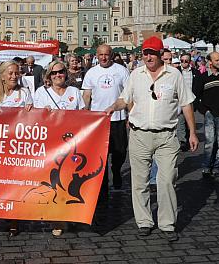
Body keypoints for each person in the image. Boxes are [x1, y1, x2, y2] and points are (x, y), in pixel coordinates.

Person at [104, 36, 198, 242]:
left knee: (166, 181)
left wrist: (192, 132)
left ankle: (167, 223)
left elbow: (186, 104)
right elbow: (124, 98)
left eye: (152, 53)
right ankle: (144, 221)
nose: (148, 56)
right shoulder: (136, 75)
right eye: (145, 52)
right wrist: (114, 106)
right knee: (139, 182)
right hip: (139, 135)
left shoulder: (174, 75)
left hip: (166, 136)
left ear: (160, 54)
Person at [33, 60, 83, 237]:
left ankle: (71, 214)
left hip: (72, 147)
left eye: (60, 72)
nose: (57, 75)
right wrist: (42, 113)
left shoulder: (75, 92)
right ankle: (58, 220)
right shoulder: (41, 92)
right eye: (53, 73)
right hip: (50, 147)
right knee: (54, 183)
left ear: (66, 73)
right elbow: (34, 119)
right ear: (48, 76)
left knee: (71, 183)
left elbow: (84, 116)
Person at [0, 60, 32, 237]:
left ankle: (14, 218)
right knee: (1, 181)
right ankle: (3, 210)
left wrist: (31, 109)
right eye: (10, 73)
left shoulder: (24, 93)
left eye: (16, 73)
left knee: (16, 181)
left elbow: (33, 119)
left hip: (18, 145)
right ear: (3, 76)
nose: (14, 76)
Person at [81, 44, 130, 192]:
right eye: (101, 55)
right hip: (98, 120)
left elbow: (128, 95)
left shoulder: (121, 71)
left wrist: (130, 115)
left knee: (120, 151)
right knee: (100, 153)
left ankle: (116, 171)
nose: (103, 57)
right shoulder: (91, 72)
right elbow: (86, 95)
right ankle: (102, 182)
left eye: (106, 55)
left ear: (111, 55)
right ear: (97, 55)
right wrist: (84, 114)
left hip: (118, 118)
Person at [193, 51, 219, 178]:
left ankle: (216, 166)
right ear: (210, 62)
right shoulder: (202, 77)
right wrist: (204, 111)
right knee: (210, 141)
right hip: (209, 113)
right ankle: (207, 166)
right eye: (217, 60)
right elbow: (195, 96)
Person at [177, 53, 194, 151]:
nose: (183, 63)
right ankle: (182, 141)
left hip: (190, 100)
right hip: (180, 100)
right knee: (181, 121)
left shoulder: (194, 72)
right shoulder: (177, 71)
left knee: (189, 121)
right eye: (182, 60)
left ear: (189, 61)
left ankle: (188, 137)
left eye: (186, 61)